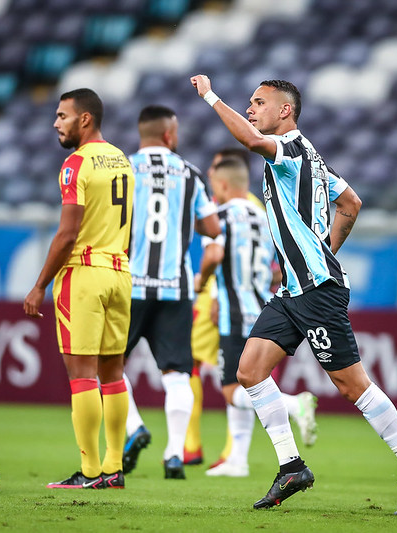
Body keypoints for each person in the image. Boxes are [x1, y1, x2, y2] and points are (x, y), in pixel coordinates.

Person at [190, 75, 397, 514]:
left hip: (318, 291)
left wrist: (211, 96)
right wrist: (321, 251)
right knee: (249, 371)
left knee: (351, 385)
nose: (251, 109)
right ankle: (291, 467)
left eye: (259, 102)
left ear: (284, 111)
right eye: (249, 103)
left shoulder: (289, 149)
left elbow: (250, 141)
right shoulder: (314, 161)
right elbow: (351, 203)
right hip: (293, 289)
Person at [24, 89, 134, 490]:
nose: (56, 123)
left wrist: (40, 285)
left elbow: (67, 233)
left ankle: (89, 473)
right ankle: (114, 467)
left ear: (84, 119)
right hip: (120, 272)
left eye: (62, 116)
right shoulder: (122, 160)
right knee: (113, 374)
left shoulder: (76, 163)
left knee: (83, 375)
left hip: (85, 274)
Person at [199, 157, 318, 478]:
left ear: (223, 185)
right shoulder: (265, 217)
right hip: (263, 309)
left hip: (233, 312)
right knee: (247, 381)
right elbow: (279, 269)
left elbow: (215, 256)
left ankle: (294, 405)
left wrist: (203, 284)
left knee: (231, 390)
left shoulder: (218, 218)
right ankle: (238, 459)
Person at [121, 105, 220, 480]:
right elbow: (212, 227)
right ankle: (175, 454)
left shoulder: (124, 169)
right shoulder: (190, 173)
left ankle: (134, 427)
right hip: (176, 288)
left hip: (130, 284)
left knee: (105, 366)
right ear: (168, 134)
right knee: (177, 373)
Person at [185, 147, 257, 467]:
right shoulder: (258, 210)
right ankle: (223, 453)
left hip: (222, 300)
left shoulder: (222, 211)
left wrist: (210, 290)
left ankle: (205, 448)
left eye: (216, 171)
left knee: (228, 378)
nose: (211, 177)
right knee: (236, 374)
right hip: (248, 303)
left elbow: (218, 256)